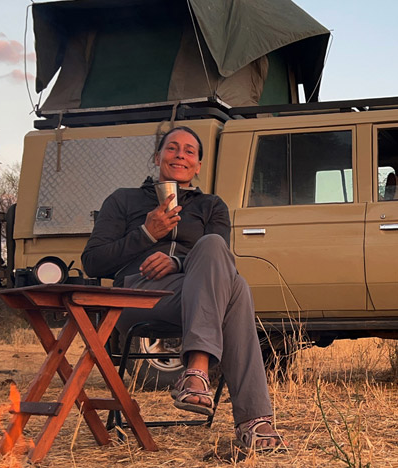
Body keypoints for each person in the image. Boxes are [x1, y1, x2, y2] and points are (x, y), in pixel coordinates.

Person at [81, 126, 285, 451]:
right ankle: (254, 422)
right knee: (239, 292)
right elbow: (93, 262)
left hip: (194, 294)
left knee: (217, 249)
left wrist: (178, 263)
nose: (181, 155)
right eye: (172, 148)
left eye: (190, 151)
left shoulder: (212, 206)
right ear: (157, 156)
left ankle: (196, 373)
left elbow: (220, 263)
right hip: (138, 295)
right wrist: (147, 234)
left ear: (199, 165)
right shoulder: (123, 199)